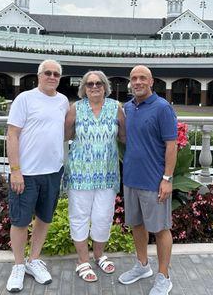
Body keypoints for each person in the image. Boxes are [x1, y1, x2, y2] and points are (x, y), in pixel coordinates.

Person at [5, 59, 70, 293]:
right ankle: (19, 265)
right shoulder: (25, 99)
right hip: (26, 174)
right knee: (20, 221)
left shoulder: (63, 101)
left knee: (44, 218)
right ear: (39, 75)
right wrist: (15, 170)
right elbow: (12, 135)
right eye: (47, 73)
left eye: (56, 74)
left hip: (53, 172)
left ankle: (34, 260)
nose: (52, 77)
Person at [118, 65, 177, 295]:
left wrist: (167, 179)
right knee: (137, 224)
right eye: (134, 78)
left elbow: (172, 146)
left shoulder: (163, 108)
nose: (138, 82)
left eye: (143, 78)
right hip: (131, 178)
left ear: (151, 82)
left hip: (155, 181)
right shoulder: (128, 108)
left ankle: (164, 277)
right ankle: (143, 266)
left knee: (161, 229)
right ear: (130, 83)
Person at [63, 71, 126, 282]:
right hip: (80, 173)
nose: (94, 86)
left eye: (99, 83)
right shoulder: (75, 108)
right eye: (90, 84)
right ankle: (83, 261)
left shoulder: (116, 108)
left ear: (105, 86)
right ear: (84, 88)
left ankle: (99, 255)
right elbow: (65, 135)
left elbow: (125, 136)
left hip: (107, 174)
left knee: (103, 217)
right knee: (79, 216)